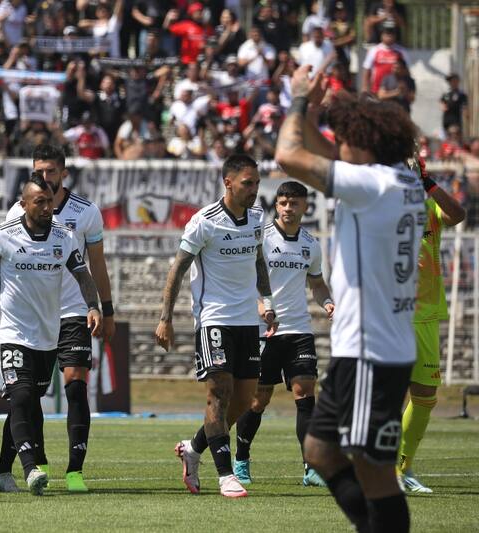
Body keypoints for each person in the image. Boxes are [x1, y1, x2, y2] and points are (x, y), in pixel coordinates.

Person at [275, 66, 425, 532]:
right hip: (366, 349)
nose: (337, 144)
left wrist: (299, 100)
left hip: (371, 354)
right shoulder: (399, 181)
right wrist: (321, 112)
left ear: (364, 145)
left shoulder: (371, 186)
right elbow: (322, 153)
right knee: (319, 450)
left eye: (344, 137)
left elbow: (288, 155)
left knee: (373, 468)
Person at [0, 174, 103, 496]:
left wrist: (93, 306)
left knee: (29, 401)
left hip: (47, 333)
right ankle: (31, 467)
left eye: (50, 202)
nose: (48, 208)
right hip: (11, 330)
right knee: (20, 395)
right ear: (24, 204)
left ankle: (2, 473)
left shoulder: (64, 237)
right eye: (40, 202)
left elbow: (82, 274)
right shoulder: (2, 236)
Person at [0, 145, 115, 493]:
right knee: (30, 395)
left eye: (50, 171)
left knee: (76, 384)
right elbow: (2, 258)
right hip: (30, 315)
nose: (45, 177)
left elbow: (97, 265)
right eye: (39, 171)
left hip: (74, 309)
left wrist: (105, 308)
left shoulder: (86, 212)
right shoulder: (18, 209)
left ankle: (75, 470)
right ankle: (37, 462)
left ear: (63, 172)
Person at [156, 154, 277, 498]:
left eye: (256, 183)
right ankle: (225, 476)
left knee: (244, 401)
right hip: (213, 319)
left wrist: (266, 302)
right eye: (247, 183)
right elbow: (178, 269)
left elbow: (258, 262)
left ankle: (193, 448)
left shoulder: (256, 218)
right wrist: (165, 317)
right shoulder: (203, 222)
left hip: (246, 323)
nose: (254, 189)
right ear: (228, 182)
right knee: (218, 393)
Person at [231, 181, 335, 488]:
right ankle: (241, 460)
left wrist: (328, 302)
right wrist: (262, 305)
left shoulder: (310, 244)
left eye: (294, 204)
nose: (288, 208)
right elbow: (245, 278)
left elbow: (316, 283)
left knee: (305, 395)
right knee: (258, 399)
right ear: (277, 205)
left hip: (299, 329)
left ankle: (310, 466)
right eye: (284, 203)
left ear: (305, 207)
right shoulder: (261, 238)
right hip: (264, 330)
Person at [397, 157, 466, 493]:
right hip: (390, 313)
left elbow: (458, 215)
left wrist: (429, 183)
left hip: (425, 313)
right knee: (387, 393)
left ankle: (403, 467)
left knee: (425, 396)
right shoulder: (378, 208)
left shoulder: (430, 204)